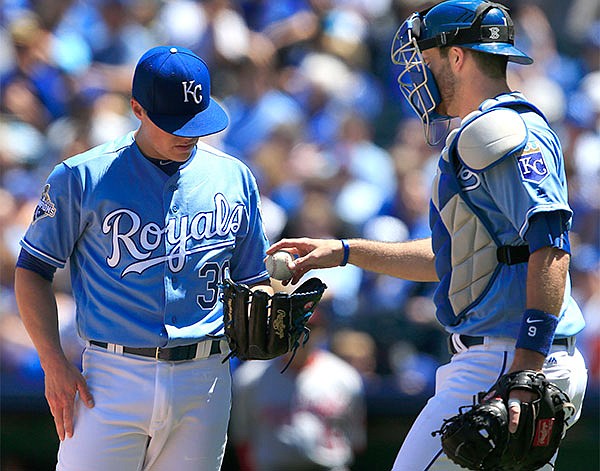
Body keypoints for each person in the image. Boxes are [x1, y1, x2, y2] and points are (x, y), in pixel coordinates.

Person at [267, 1, 588, 469]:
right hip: (517, 355)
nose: (421, 72)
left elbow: (551, 248)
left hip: (505, 357)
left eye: (429, 59)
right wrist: (343, 251)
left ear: (457, 57)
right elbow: (461, 257)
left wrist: (525, 369)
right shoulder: (505, 124)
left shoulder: (494, 130)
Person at [14, 45, 273, 471]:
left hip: (205, 377)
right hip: (112, 376)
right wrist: (52, 361)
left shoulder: (233, 176)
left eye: (197, 121)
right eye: (174, 122)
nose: (188, 133)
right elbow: (33, 271)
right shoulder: (83, 176)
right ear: (136, 107)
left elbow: (253, 277)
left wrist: (273, 291)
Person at [229, 316, 367, 471]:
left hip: (329, 466)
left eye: (309, 327)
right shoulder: (250, 377)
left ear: (321, 332)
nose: (301, 334)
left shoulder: (345, 377)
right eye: (293, 326)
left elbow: (356, 439)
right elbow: (242, 439)